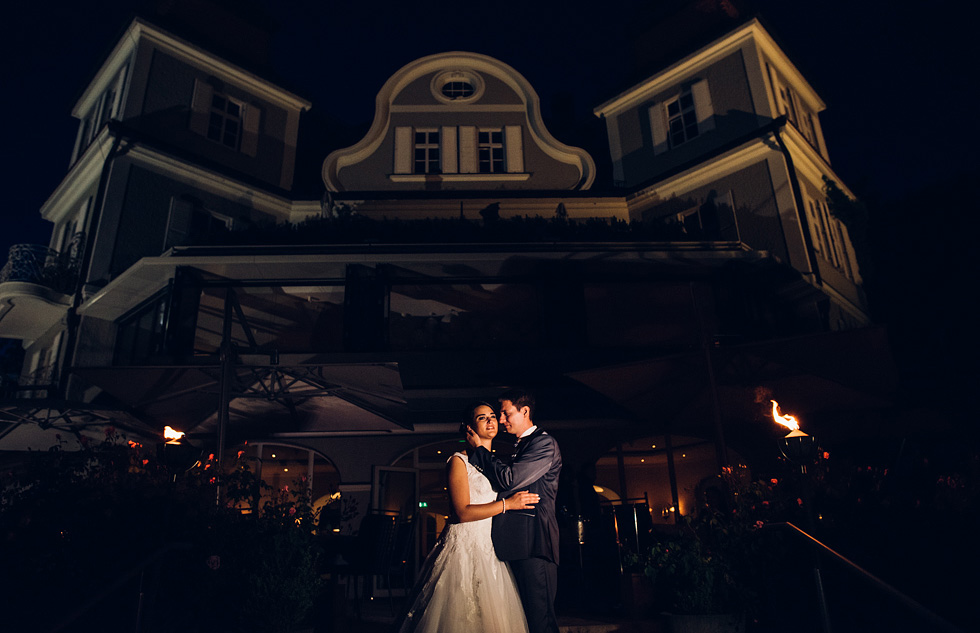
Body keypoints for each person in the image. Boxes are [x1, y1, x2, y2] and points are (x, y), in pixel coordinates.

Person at [396, 402, 539, 633]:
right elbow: (461, 512)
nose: (491, 420)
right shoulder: (458, 461)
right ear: (469, 427)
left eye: (493, 416)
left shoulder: (495, 465)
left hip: (489, 549)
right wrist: (507, 504)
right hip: (463, 546)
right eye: (482, 418)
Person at [466, 389, 562, 633]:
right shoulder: (521, 446)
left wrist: (480, 450)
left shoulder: (544, 443)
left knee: (540, 621)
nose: (501, 419)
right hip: (519, 544)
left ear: (525, 412)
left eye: (506, 413)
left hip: (535, 544)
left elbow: (509, 480)